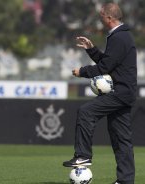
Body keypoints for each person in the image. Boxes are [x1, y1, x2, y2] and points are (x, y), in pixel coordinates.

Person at [62, 3, 136, 184]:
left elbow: (105, 67)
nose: (100, 18)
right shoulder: (120, 35)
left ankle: (83, 155)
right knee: (121, 138)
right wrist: (91, 50)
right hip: (124, 92)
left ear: (109, 18)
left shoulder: (119, 37)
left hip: (120, 91)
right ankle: (126, 181)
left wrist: (82, 72)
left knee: (86, 111)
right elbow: (109, 62)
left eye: (101, 15)